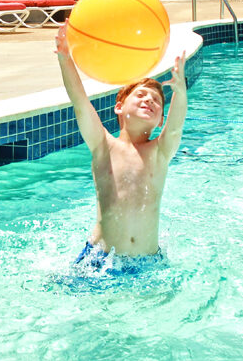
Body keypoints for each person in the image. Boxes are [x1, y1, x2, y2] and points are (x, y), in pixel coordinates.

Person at [55, 22, 187, 271]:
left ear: (160, 120)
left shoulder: (159, 153)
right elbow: (80, 103)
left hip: (148, 262)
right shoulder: (103, 146)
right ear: (119, 107)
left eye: (157, 100)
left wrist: (180, 90)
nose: (149, 99)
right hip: (101, 260)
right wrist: (65, 58)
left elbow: (177, 126)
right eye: (140, 95)